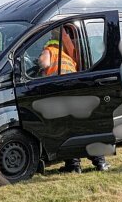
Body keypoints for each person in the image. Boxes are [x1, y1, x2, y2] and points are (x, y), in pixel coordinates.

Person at [38, 26, 110, 173]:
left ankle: (74, 165)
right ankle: (99, 163)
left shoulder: (50, 50)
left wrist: (39, 68)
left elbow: (44, 63)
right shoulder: (67, 56)